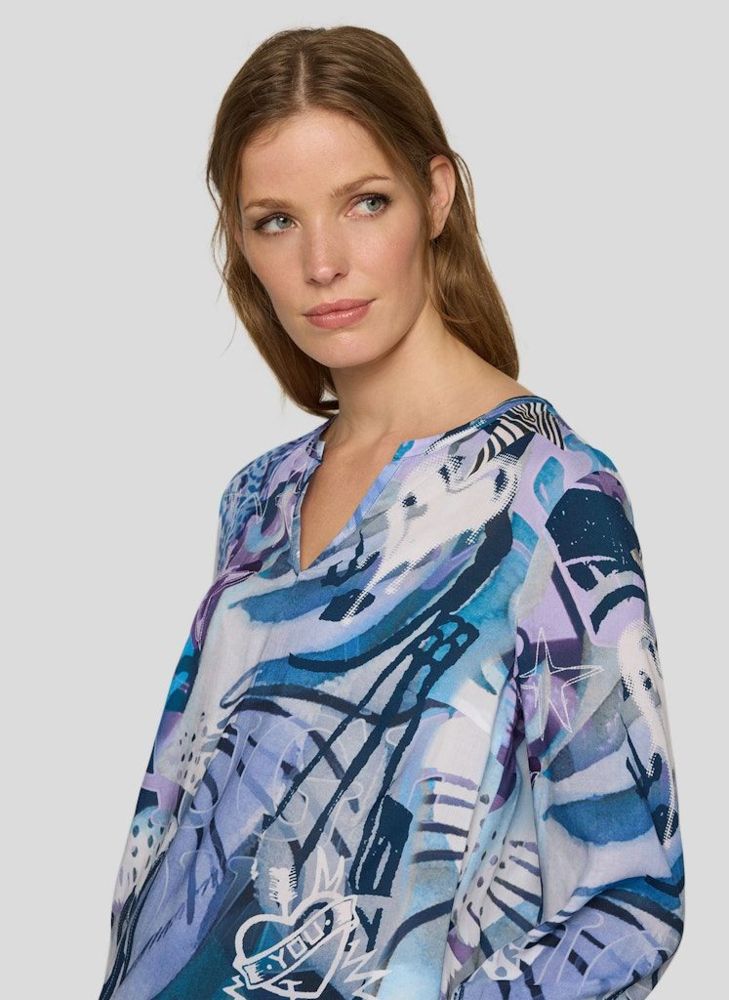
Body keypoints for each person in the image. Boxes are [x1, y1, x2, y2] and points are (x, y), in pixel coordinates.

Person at [98, 25, 685, 1000]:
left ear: (436, 194)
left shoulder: (552, 496)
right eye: (275, 221)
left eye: (364, 202)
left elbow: (629, 902)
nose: (322, 261)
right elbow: (183, 823)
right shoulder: (259, 496)